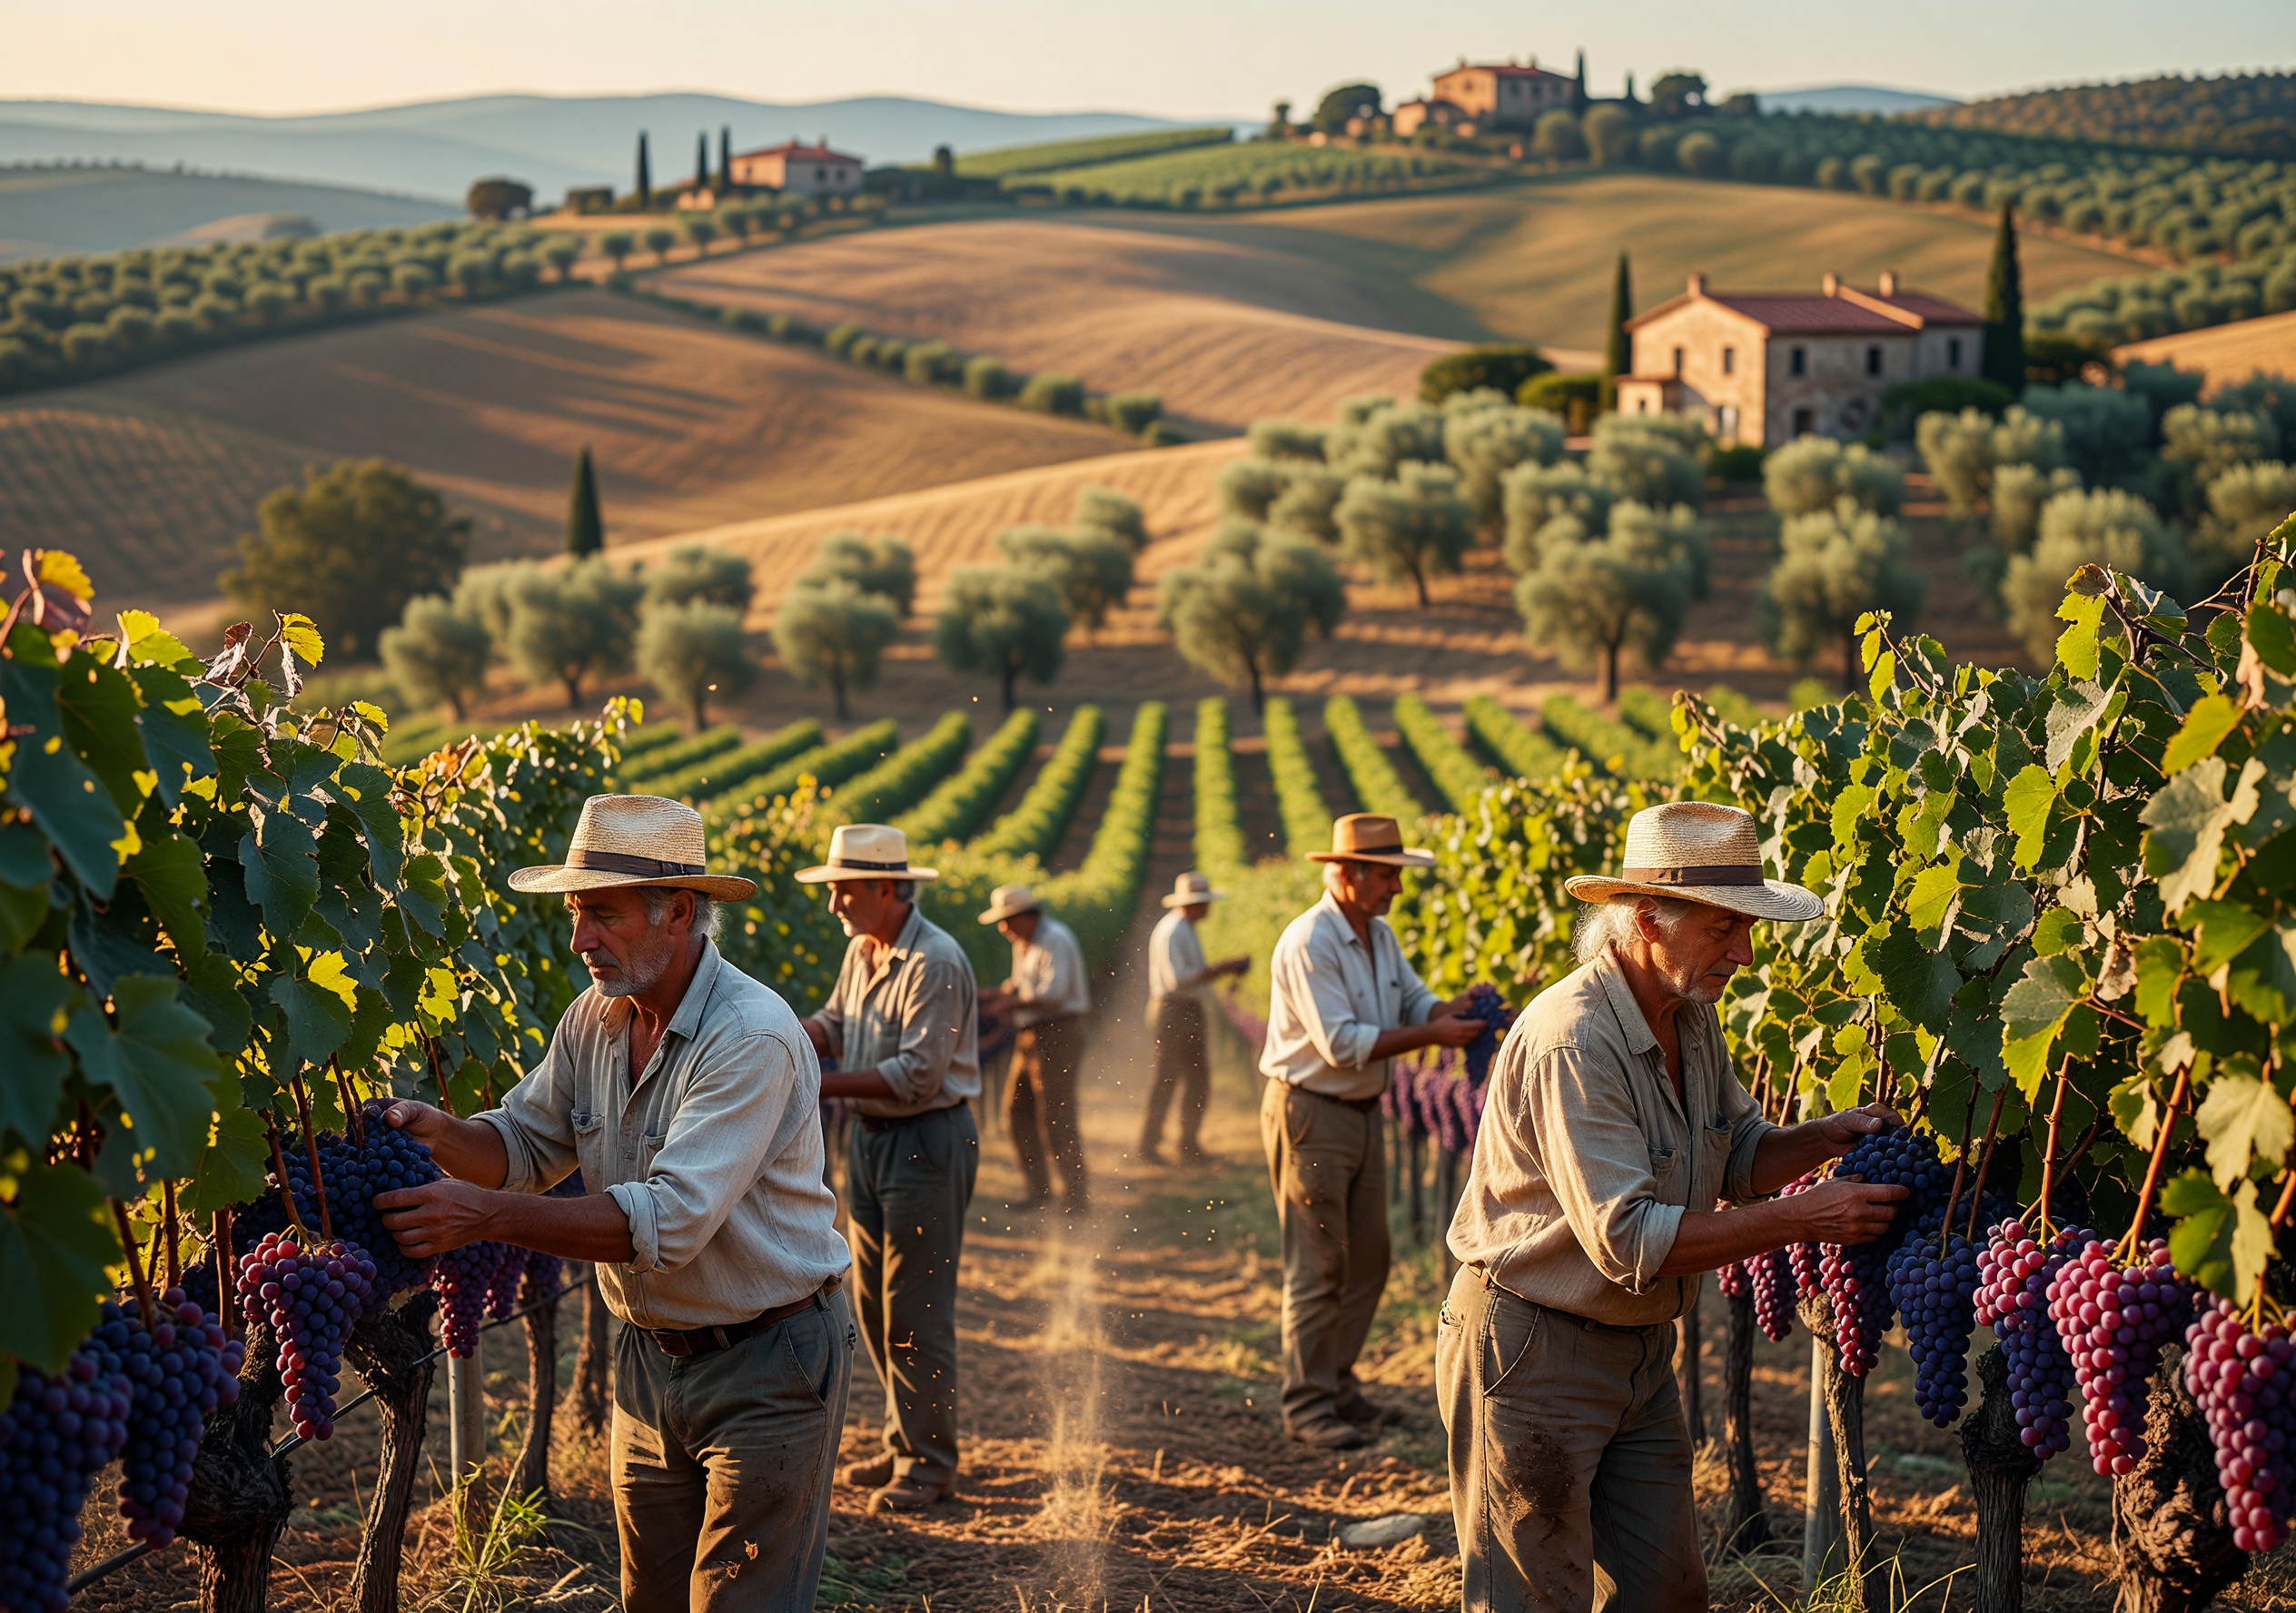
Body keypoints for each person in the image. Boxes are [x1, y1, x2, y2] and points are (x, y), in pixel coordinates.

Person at [371, 793, 853, 1613]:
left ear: (680, 914)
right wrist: (441, 1134)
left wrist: (484, 1217)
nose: (579, 939)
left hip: (769, 1365)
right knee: (652, 1601)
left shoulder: (752, 1038)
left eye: (604, 915)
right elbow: (522, 1146)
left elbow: (668, 1221)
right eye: (574, 914)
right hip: (648, 1356)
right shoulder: (596, 1019)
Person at [1439, 800, 1908, 1611]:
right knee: (1534, 1597)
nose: (1746, 951)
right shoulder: (1574, 1039)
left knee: (1668, 1593)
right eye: (1724, 927)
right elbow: (1628, 1240)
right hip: (1534, 1354)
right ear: (1647, 920)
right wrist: (1805, 1218)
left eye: (1749, 927)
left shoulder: (1691, 1019)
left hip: (1641, 1352)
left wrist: (1826, 1136)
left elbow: (1740, 1156)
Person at [1261, 813, 1485, 1450]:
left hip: (1363, 1111)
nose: (1397, 888)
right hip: (1311, 1112)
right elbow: (1340, 1044)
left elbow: (1413, 1004)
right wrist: (1433, 1036)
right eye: (1388, 876)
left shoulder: (1379, 936)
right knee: (1319, 1261)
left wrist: (1450, 1011)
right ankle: (1306, 1405)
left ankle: (1337, 1383)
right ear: (1349, 874)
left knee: (1370, 1258)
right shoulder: (1310, 942)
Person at [794, 823, 980, 1516]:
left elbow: (918, 1075)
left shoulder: (935, 962)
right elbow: (838, 1023)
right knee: (871, 1303)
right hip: (871, 1143)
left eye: (843, 891)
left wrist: (817, 1085)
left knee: (918, 1309)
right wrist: (794, 1035)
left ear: (883, 887)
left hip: (926, 1141)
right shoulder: (863, 950)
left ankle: (930, 1464)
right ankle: (905, 1438)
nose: (836, 904)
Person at [976, 882, 1093, 1212]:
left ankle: (1075, 1195)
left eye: (1006, 921)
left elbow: (1054, 994)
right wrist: (998, 995)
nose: (1003, 928)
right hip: (1031, 1034)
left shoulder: (1056, 938)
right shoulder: (1024, 943)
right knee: (1017, 1112)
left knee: (1057, 1115)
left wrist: (1008, 1005)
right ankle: (1039, 1189)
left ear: (1024, 916)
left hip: (1059, 1032)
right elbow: (1022, 985)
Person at [1140, 870, 1247, 1165]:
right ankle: (1153, 1145)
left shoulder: (1183, 928)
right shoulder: (1174, 931)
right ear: (1193, 903)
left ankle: (1183, 1144)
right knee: (1171, 1078)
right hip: (1175, 1012)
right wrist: (1223, 968)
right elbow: (1178, 981)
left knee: (1192, 1079)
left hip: (1182, 1011)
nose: (1208, 908)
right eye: (1204, 902)